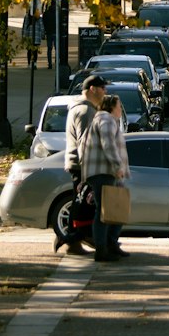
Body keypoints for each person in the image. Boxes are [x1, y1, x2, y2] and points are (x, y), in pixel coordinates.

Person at [57, 73, 109, 255]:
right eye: (103, 88)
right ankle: (71, 239)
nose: (105, 92)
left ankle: (73, 241)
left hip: (78, 164)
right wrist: (88, 173)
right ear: (92, 89)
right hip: (82, 166)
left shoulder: (82, 108)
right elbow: (85, 144)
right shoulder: (86, 111)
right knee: (84, 204)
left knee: (80, 203)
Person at [81, 92, 130, 262]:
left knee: (116, 208)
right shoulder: (106, 120)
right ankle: (102, 249)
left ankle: (111, 244)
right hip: (104, 171)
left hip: (104, 171)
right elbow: (108, 144)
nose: (120, 109)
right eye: (118, 105)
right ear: (111, 107)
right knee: (105, 211)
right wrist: (118, 167)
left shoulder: (102, 119)